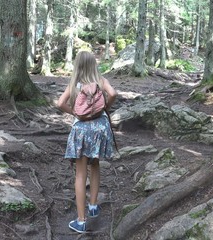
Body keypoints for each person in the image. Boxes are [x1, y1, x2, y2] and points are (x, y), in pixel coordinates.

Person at [57, 51, 117, 234]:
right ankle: (93, 205)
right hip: (100, 129)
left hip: (81, 130)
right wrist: (105, 108)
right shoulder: (100, 80)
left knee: (80, 174)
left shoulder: (75, 84)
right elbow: (113, 94)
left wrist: (74, 113)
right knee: (96, 165)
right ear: (93, 64)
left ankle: (81, 221)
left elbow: (60, 104)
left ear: (78, 65)